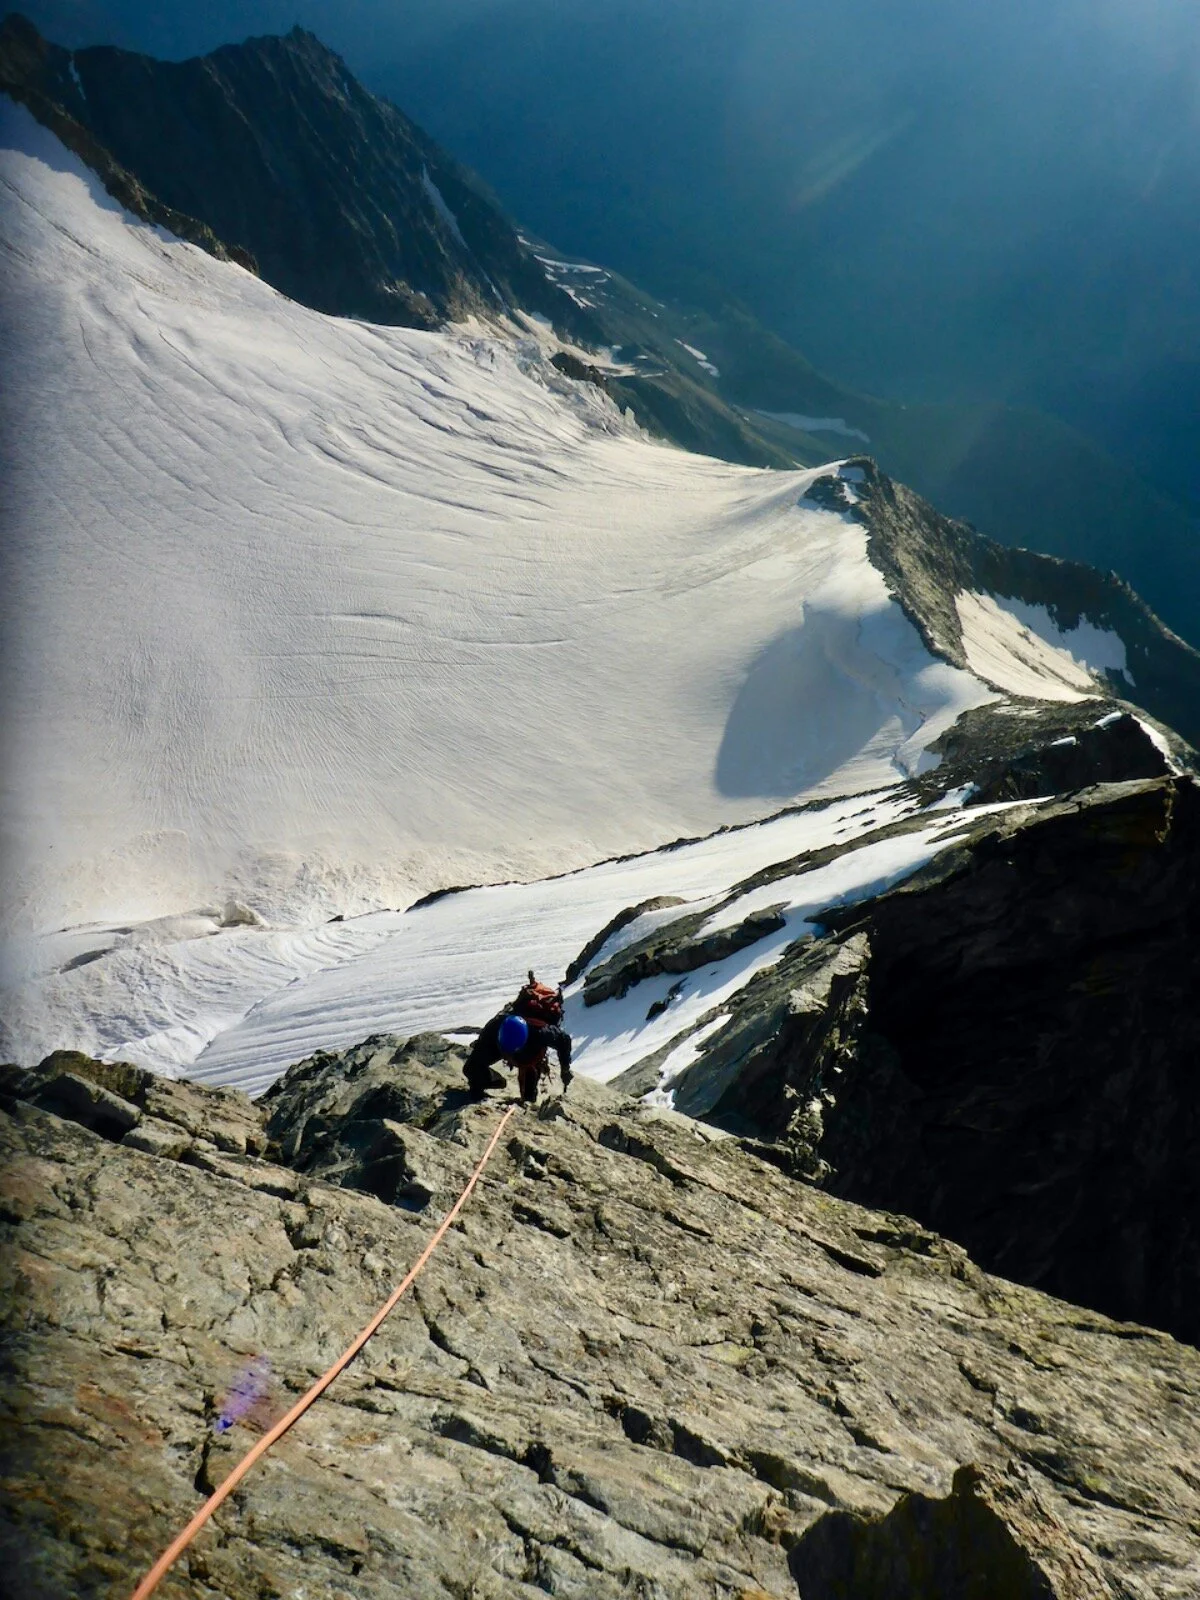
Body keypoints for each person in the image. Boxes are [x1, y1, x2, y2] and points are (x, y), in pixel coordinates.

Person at [463, 972, 573, 1104]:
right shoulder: (495, 1027)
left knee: (529, 1081)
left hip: (530, 1052)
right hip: (507, 1043)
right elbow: (477, 1057)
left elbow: (564, 1040)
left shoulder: (541, 1033)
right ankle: (495, 1082)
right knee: (471, 1069)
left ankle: (528, 1099)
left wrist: (565, 1068)